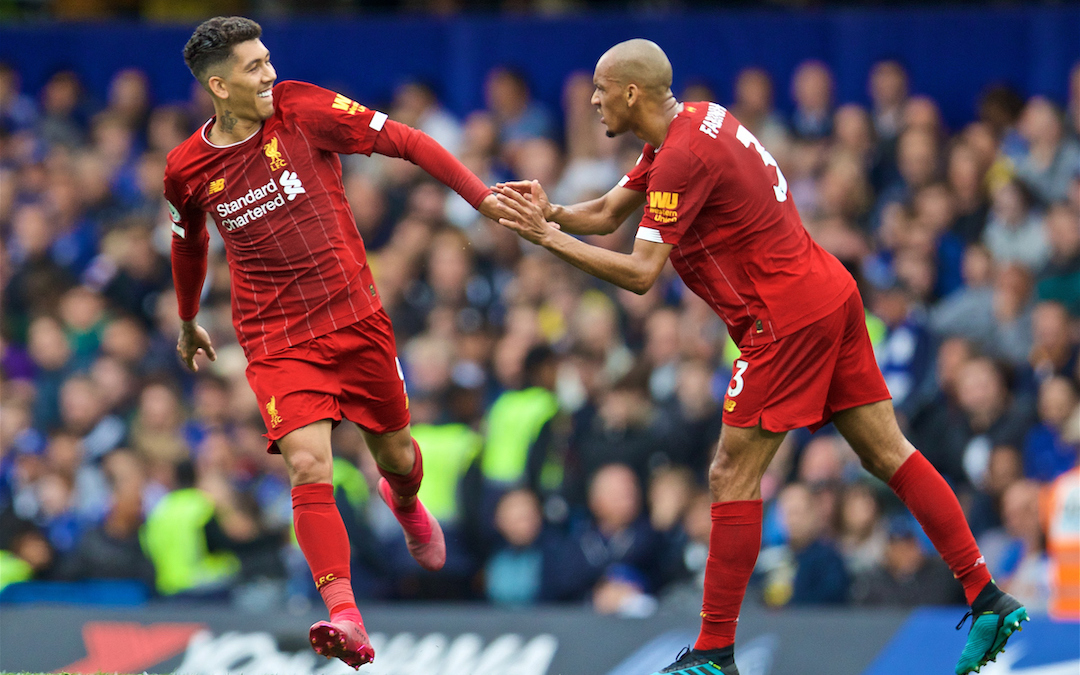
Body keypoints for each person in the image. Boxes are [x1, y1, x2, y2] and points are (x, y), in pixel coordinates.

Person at [495, 39, 1027, 675]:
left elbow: (640, 274)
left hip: (783, 318)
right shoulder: (693, 124)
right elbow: (611, 211)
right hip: (826, 291)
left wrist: (544, 238)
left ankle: (715, 652)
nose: (591, 100)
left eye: (601, 89)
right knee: (889, 452)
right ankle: (987, 595)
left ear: (631, 93)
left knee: (729, 473)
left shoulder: (681, 156)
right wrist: (548, 210)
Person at [166, 16, 506, 669]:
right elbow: (190, 240)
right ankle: (345, 614)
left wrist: (479, 196)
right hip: (275, 338)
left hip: (354, 320)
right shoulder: (186, 168)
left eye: (267, 59)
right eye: (253, 67)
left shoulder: (301, 109)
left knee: (398, 454)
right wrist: (187, 318)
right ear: (218, 85)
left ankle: (403, 504)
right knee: (307, 463)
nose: (269, 73)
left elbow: (404, 140)